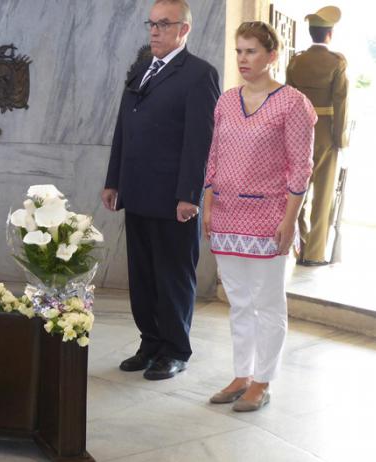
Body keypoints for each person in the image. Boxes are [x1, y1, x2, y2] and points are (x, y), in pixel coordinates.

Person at [102, 0, 220, 380]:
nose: (154, 31)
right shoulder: (142, 69)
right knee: (143, 275)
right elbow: (124, 127)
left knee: (172, 276)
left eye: (163, 24)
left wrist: (190, 194)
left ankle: (175, 349)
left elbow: (200, 141)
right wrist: (113, 179)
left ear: (183, 29)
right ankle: (150, 342)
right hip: (136, 192)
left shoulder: (199, 74)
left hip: (173, 199)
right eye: (151, 24)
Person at [203, 21, 316, 411]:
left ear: (272, 56)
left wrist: (290, 219)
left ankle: (263, 381)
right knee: (238, 301)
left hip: (269, 216)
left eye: (251, 51)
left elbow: (300, 167)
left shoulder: (292, 103)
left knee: (267, 302)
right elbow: (214, 155)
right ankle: (241, 374)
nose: (243, 59)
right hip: (227, 215)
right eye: (239, 51)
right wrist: (208, 201)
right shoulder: (226, 101)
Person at [286, 6, 348, 266]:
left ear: (311, 33)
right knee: (322, 194)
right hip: (324, 134)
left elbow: (288, 100)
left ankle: (299, 246)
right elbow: (341, 101)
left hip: (297, 133)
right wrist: (340, 139)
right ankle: (314, 253)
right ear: (329, 34)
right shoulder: (337, 62)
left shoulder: (297, 60)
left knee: (296, 191)